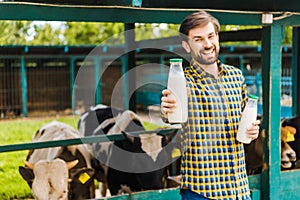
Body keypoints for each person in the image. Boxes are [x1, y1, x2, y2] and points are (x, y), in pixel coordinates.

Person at [161, 10, 260, 200]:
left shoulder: (236, 76)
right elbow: (169, 112)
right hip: (202, 191)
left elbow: (244, 124)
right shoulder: (183, 82)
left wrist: (251, 131)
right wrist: (167, 109)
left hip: (239, 189)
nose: (207, 44)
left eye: (210, 36)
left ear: (217, 37)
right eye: (198, 39)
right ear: (186, 45)